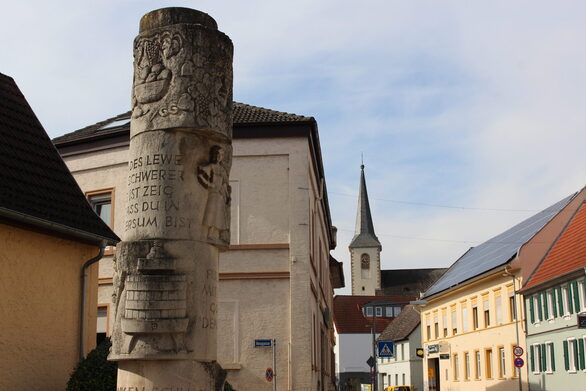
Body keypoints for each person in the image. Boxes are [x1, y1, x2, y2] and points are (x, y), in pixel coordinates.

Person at [197, 145, 230, 245]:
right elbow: (200, 172)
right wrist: (209, 184)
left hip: (220, 195)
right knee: (210, 214)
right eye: (218, 154)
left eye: (222, 155)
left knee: (219, 216)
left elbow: (224, 184)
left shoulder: (222, 169)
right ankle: (206, 234)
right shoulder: (211, 166)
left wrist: (227, 196)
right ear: (214, 155)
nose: (220, 156)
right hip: (213, 194)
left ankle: (214, 234)